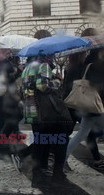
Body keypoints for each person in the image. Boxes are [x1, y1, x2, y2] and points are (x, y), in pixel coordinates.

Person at [66, 48, 104, 178]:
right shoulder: (97, 66)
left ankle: (62, 159)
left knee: (81, 134)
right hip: (96, 107)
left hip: (86, 107)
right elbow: (100, 88)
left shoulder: (85, 65)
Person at [21, 55, 72, 184]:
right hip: (46, 111)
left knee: (40, 141)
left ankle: (38, 172)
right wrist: (57, 81)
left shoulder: (27, 68)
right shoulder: (44, 66)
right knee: (62, 138)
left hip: (32, 110)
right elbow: (43, 86)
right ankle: (57, 173)